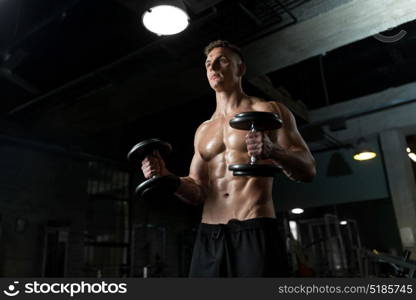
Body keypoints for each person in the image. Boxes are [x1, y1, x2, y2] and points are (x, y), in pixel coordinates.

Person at [141, 40, 316, 277]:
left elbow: (308, 170)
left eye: (221, 60)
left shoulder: (268, 111)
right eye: (208, 63)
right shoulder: (204, 130)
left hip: (254, 228)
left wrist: (274, 151)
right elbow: (197, 191)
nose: (212, 67)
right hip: (209, 234)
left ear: (240, 68)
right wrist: (166, 178)